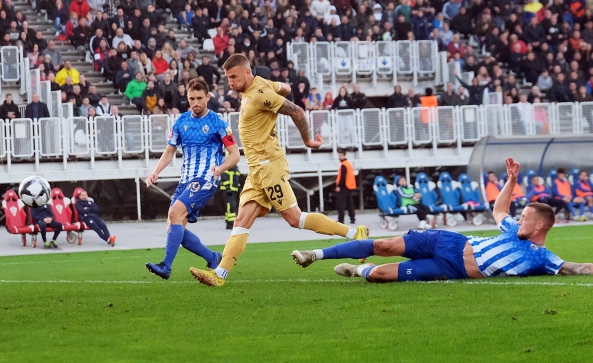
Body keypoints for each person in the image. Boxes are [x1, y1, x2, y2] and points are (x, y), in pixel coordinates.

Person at [190, 54, 369, 287]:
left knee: (295, 219)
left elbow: (297, 111)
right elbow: (285, 87)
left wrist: (307, 140)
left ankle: (356, 233)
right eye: (227, 78)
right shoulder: (260, 86)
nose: (230, 83)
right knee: (241, 222)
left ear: (247, 73)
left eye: (233, 77)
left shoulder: (260, 94)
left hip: (268, 166)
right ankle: (220, 274)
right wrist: (274, 98)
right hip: (257, 170)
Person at [292, 157, 593, 282]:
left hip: (452, 266)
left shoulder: (543, 258)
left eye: (526, 216)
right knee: (382, 244)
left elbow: (576, 268)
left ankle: (361, 271)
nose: (520, 218)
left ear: (540, 225)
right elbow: (499, 210)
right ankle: (313, 254)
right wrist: (511, 181)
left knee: (380, 276)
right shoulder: (514, 229)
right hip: (449, 240)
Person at [144, 78, 240, 280]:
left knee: (174, 212)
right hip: (185, 181)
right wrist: (155, 172)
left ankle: (166, 266)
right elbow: (169, 151)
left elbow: (235, 154)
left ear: (207, 97)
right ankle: (213, 257)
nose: (195, 103)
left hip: (206, 179)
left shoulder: (219, 123)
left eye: (199, 98)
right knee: (174, 227)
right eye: (191, 99)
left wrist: (220, 168)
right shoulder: (181, 122)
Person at [335, 150, 356, 224]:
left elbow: (342, 177)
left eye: (341, 155)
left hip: (344, 186)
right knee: (349, 203)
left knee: (341, 203)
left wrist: (339, 186)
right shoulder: (348, 164)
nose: (339, 157)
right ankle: (352, 218)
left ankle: (341, 220)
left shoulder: (344, 165)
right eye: (339, 155)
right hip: (349, 186)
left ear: (344, 155)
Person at [219, 160, 241, 230]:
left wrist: (238, 188)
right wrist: (227, 186)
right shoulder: (227, 165)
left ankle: (231, 223)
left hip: (234, 191)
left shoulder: (235, 166)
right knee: (230, 207)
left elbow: (236, 179)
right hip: (228, 191)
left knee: (232, 207)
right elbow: (223, 175)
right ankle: (230, 223)